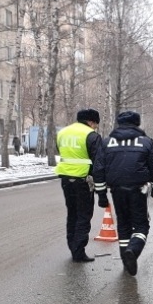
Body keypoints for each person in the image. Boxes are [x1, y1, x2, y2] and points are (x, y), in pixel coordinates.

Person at [93, 110, 153, 276]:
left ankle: (126, 260)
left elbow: (98, 169)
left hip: (116, 190)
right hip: (138, 190)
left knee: (123, 225)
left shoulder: (106, 142)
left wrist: (101, 194)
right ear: (136, 124)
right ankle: (133, 250)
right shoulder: (146, 142)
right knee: (141, 225)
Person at [55, 108, 104, 262]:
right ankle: (78, 251)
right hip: (83, 180)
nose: (95, 127)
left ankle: (72, 246)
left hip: (65, 179)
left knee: (72, 214)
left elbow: (60, 151)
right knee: (84, 215)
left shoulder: (63, 133)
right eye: (95, 124)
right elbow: (99, 164)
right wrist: (101, 189)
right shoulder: (91, 136)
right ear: (91, 121)